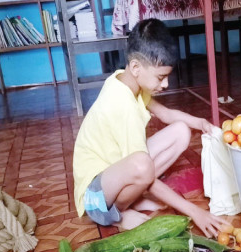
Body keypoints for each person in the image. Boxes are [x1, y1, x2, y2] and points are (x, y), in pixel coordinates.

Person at [73, 19, 228, 237]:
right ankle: (117, 214)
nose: (165, 84)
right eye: (160, 77)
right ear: (136, 67)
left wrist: (200, 123)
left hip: (114, 170)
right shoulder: (122, 106)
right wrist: (195, 212)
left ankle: (132, 198)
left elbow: (166, 114)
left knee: (181, 130)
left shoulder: (127, 80)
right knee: (143, 166)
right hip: (95, 197)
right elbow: (146, 172)